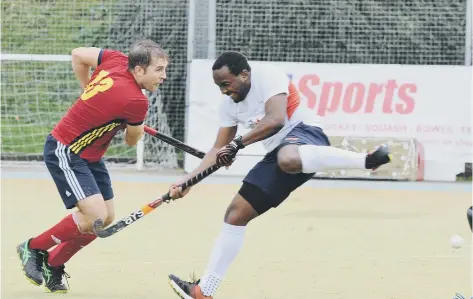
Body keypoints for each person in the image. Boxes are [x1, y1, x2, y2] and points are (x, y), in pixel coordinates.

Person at [166, 51, 392, 298]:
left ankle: (366, 160)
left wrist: (237, 144)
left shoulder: (267, 76)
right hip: (278, 154)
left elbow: (276, 120)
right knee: (235, 214)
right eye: (218, 86)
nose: (223, 91)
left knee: (289, 157)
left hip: (305, 135)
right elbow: (217, 149)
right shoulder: (229, 107)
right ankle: (203, 291)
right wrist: (188, 181)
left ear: (244, 74)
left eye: (226, 84)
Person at [17, 39, 168, 293]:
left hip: (91, 155)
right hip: (67, 149)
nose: (164, 76)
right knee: (95, 216)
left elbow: (78, 55)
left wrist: (88, 89)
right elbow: (131, 142)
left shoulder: (116, 59)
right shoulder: (136, 102)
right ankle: (33, 247)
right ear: (140, 70)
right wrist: (135, 127)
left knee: (104, 218)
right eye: (159, 70)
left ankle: (54, 263)